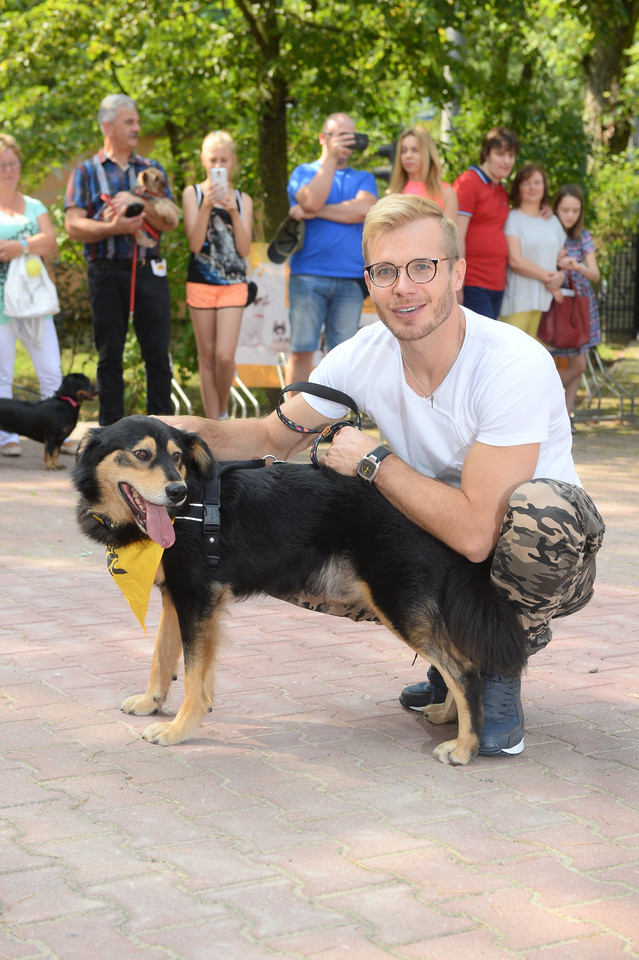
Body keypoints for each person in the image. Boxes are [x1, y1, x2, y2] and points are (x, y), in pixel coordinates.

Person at [166, 194, 604, 759]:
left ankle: (495, 663)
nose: (404, 286)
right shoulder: (364, 353)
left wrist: (373, 461)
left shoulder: (512, 363)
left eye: (423, 267)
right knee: (298, 530)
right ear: (369, 283)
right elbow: (273, 438)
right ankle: (450, 652)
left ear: (458, 274)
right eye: (385, 271)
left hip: (538, 556)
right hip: (441, 542)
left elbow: (476, 534)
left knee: (545, 511)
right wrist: (178, 428)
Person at [64, 93, 178, 426]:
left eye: (137, 121)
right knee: (109, 358)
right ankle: (111, 436)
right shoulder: (86, 172)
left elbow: (171, 221)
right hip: (106, 272)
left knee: (157, 357)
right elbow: (73, 226)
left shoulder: (151, 170)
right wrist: (112, 227)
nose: (137, 128)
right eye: (130, 122)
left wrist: (140, 206)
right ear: (107, 126)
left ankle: (164, 433)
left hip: (149, 270)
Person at [284, 112, 378, 383]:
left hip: (350, 279)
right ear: (323, 138)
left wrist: (313, 212)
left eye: (351, 135)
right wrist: (329, 159)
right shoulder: (303, 172)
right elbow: (311, 199)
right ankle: (291, 422)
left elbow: (362, 210)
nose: (346, 141)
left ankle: (334, 422)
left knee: (343, 355)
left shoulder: (363, 177)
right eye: (340, 135)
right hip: (308, 275)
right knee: (302, 351)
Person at [0, 133, 69, 458]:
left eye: (13, 163)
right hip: (1, 306)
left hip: (35, 303)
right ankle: (6, 436)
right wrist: (31, 241)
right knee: (2, 374)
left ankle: (60, 431)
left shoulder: (35, 205)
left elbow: (51, 242)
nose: (8, 170)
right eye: (2, 165)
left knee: (51, 371)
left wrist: (20, 247)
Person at [182, 130, 253, 420]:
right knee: (207, 356)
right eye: (213, 160)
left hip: (233, 284)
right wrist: (208, 205)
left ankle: (221, 411)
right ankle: (215, 426)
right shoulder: (193, 194)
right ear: (203, 160)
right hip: (200, 282)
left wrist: (234, 213)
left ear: (233, 162)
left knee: (225, 356)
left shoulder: (242, 198)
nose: (218, 165)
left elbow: (245, 249)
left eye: (224, 160)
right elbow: (195, 244)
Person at [453, 127, 520, 319]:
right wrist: (457, 283)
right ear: (486, 153)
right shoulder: (469, 182)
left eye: (511, 155)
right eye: (500, 154)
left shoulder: (502, 189)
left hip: (498, 283)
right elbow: (457, 235)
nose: (507, 161)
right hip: (474, 281)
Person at [551, 184, 602, 418]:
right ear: (556, 209)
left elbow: (595, 275)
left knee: (577, 365)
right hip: (557, 305)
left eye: (575, 210)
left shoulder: (583, 237)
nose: (570, 215)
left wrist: (576, 265)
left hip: (580, 307)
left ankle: (566, 416)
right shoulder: (549, 232)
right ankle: (544, 403)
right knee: (561, 363)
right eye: (565, 210)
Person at [499, 164, 566, 339]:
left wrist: (561, 276)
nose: (533, 187)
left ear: (544, 187)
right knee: (512, 359)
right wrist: (549, 277)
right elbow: (515, 261)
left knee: (540, 362)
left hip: (546, 303)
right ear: (518, 188)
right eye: (526, 183)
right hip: (518, 301)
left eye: (537, 182)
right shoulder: (513, 218)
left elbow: (563, 258)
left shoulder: (553, 222)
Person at [388, 125, 458, 219]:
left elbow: (450, 233)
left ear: (428, 153)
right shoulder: (392, 192)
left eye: (415, 150)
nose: (408, 155)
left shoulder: (447, 193)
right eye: (404, 151)